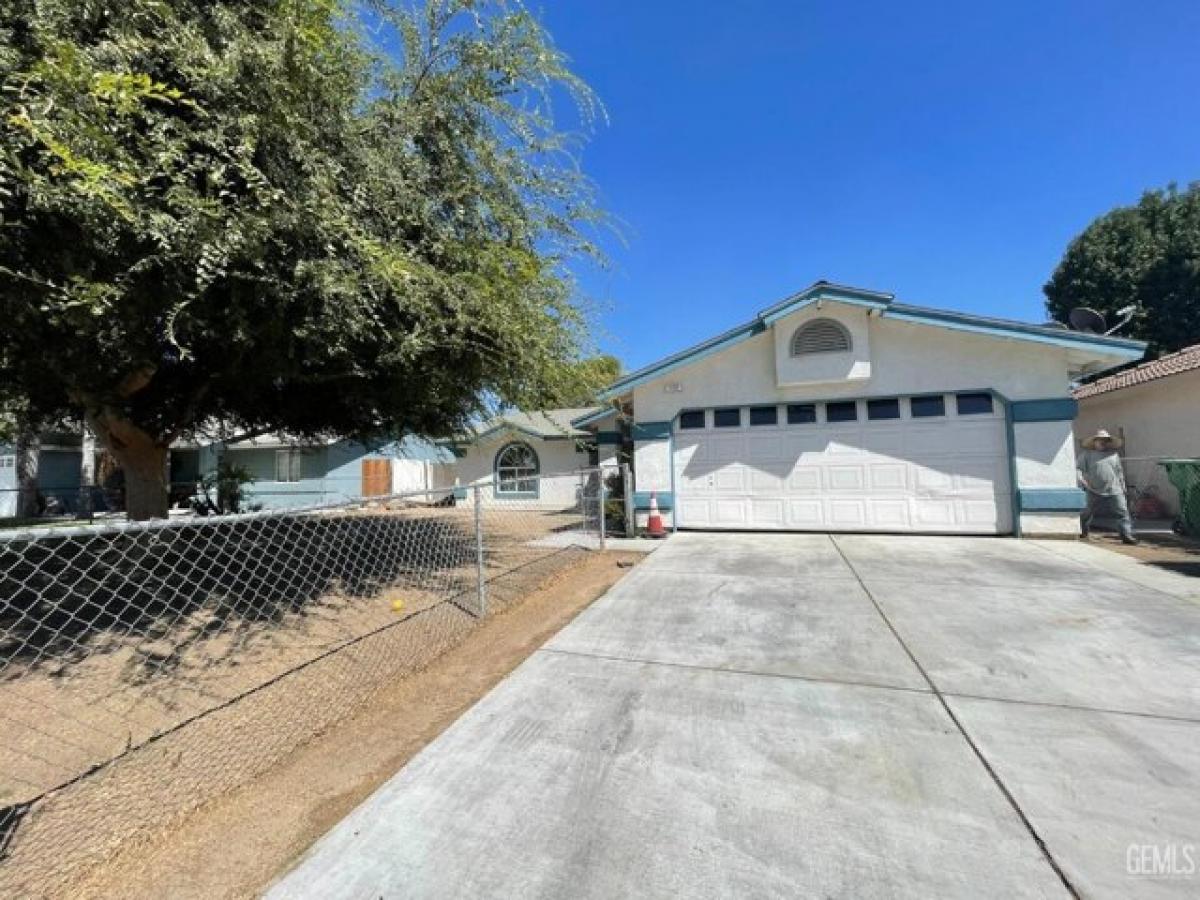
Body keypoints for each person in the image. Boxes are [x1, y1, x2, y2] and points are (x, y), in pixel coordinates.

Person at [1076, 429, 1137, 544]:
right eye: (1100, 440)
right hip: (1093, 488)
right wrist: (1082, 480)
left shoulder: (1113, 455)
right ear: (1095, 442)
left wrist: (1123, 486)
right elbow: (1078, 469)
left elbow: (1119, 472)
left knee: (1122, 511)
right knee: (1086, 512)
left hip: (1114, 488)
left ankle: (1126, 535)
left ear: (1108, 442)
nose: (1102, 442)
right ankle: (1083, 531)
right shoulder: (1087, 455)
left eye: (1105, 440)